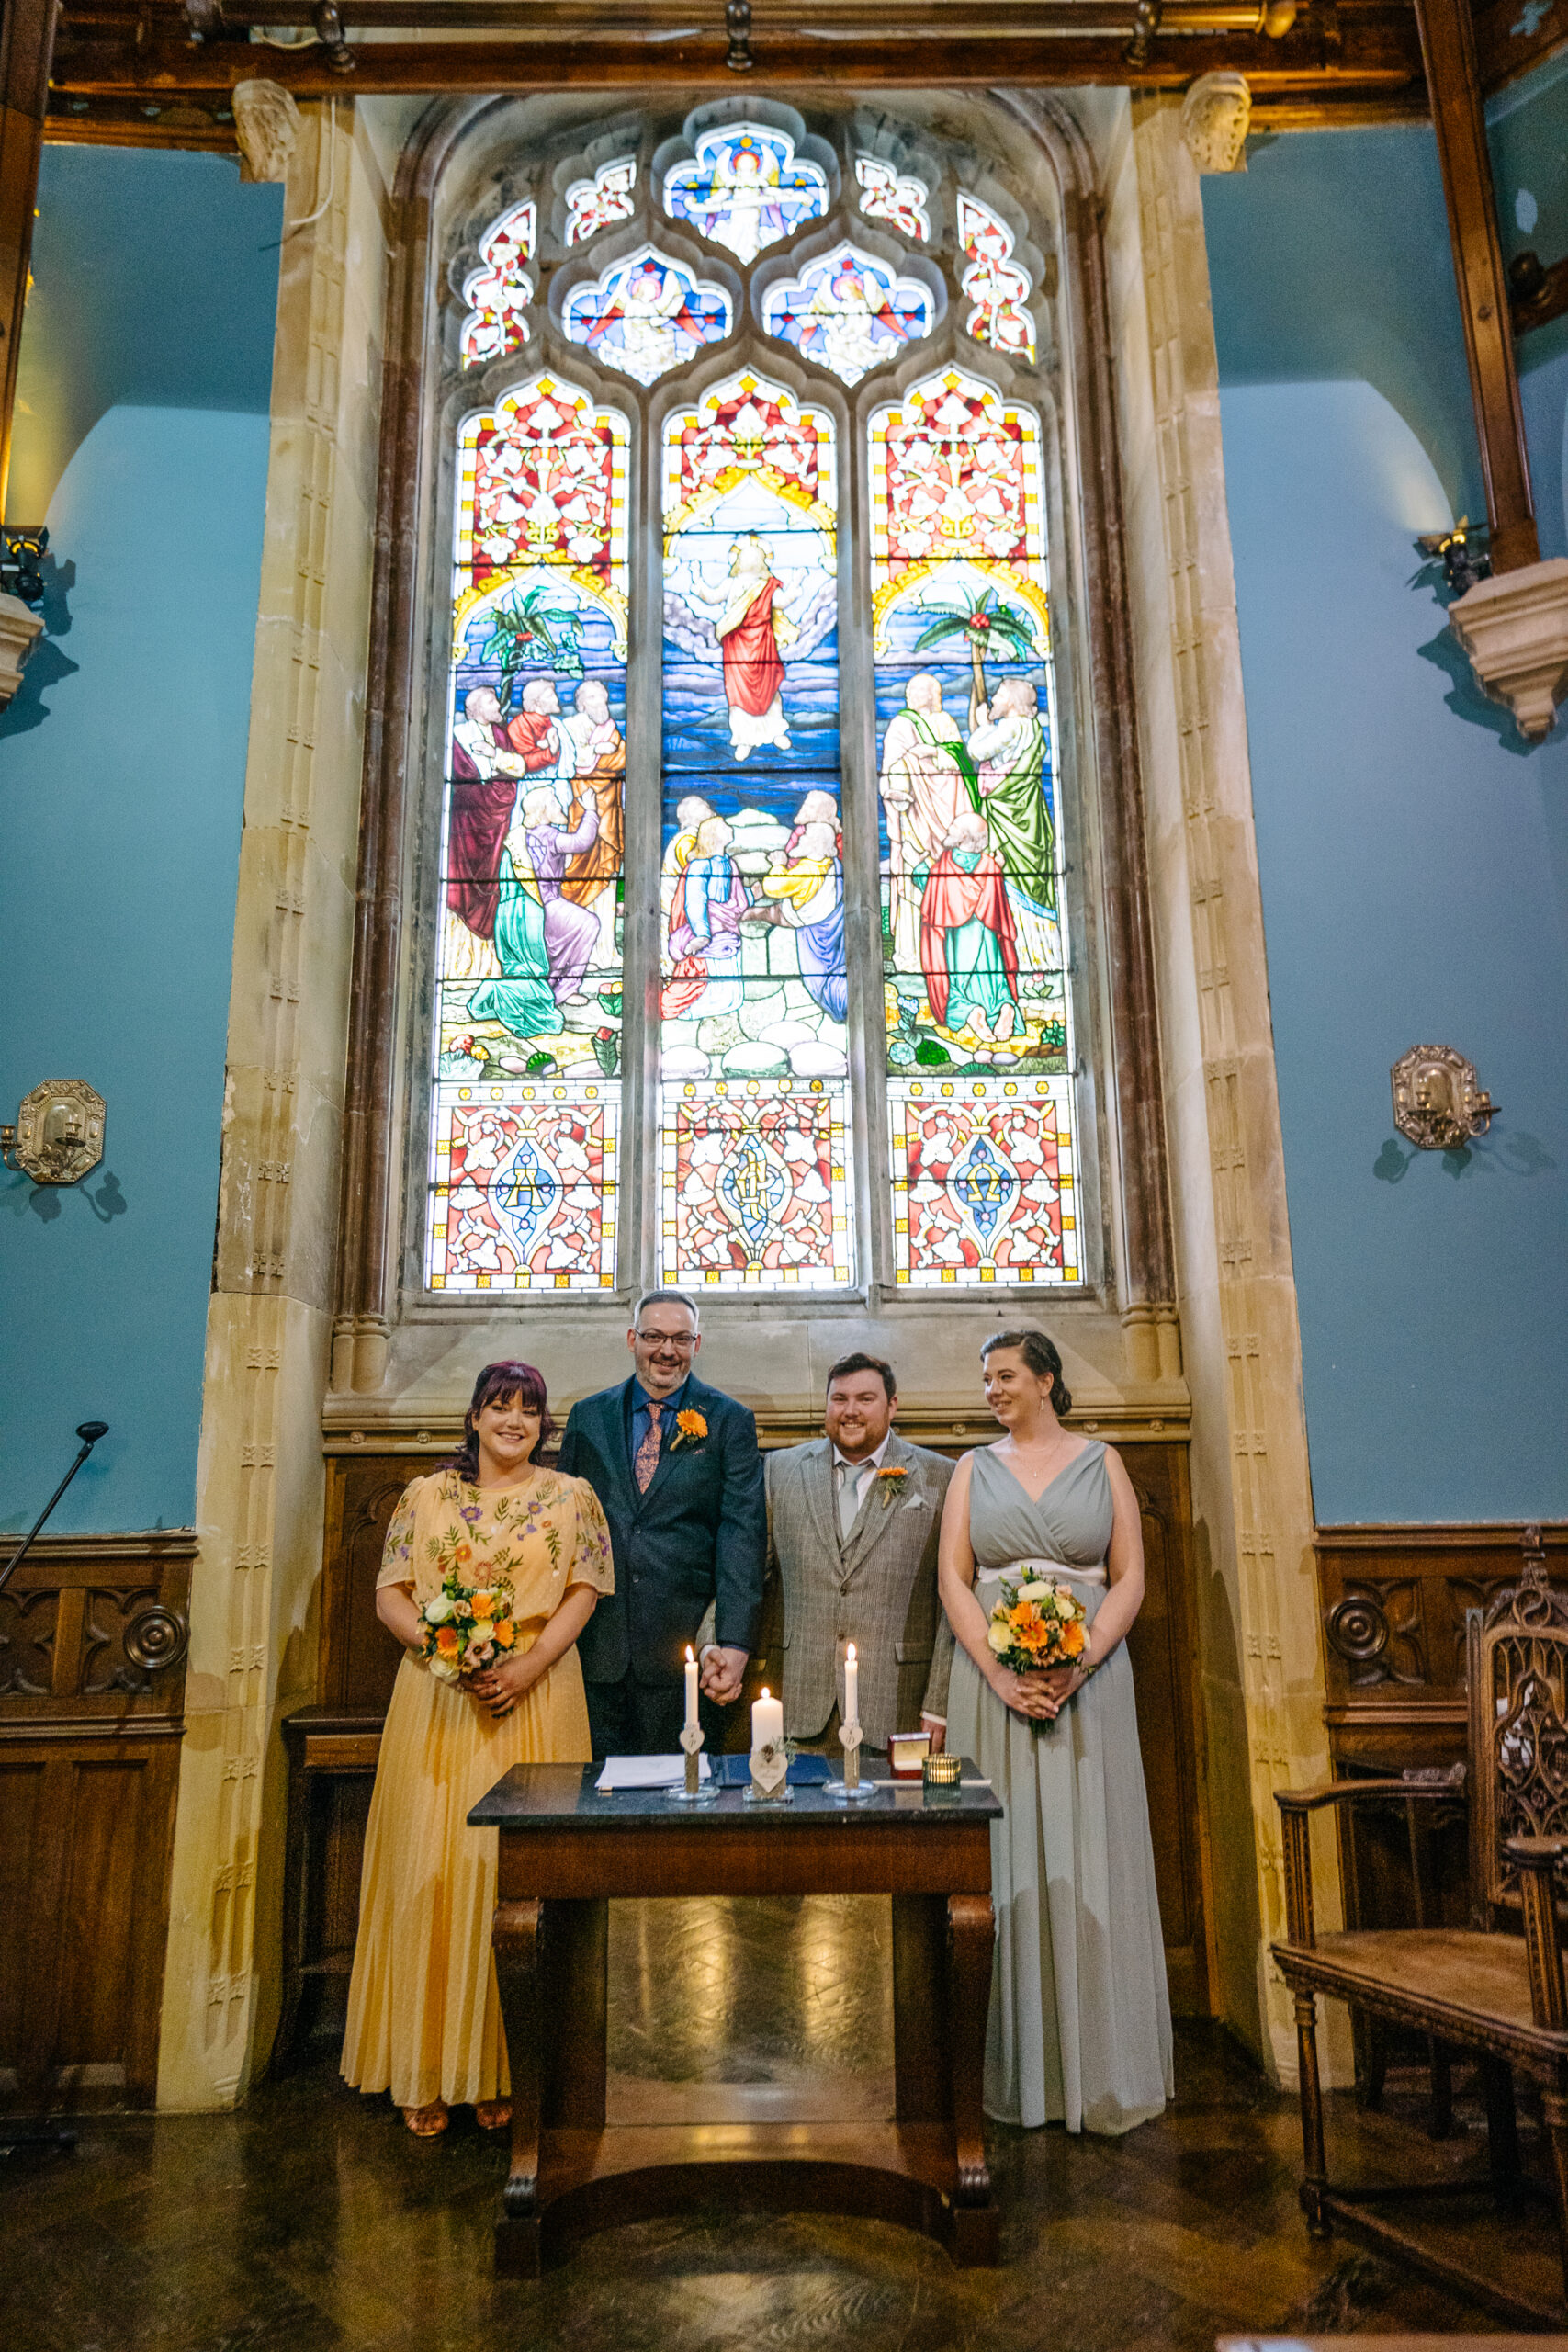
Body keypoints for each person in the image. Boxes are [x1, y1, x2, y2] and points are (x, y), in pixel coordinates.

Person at [341, 1361, 615, 2138]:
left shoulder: (572, 1498)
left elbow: (584, 1590)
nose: (514, 1421)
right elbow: (389, 1589)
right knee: (431, 1869)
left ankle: (505, 2067)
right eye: (499, 1407)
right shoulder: (424, 1496)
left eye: (529, 1410)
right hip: (437, 1702)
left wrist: (527, 1666)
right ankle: (424, 2067)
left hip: (537, 1695)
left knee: (513, 1876)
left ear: (543, 1425)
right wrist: (442, 1653)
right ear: (473, 1418)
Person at [939, 1328, 1172, 2135]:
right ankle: (1018, 2073)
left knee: (1088, 1852)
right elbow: (953, 1577)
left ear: (1045, 1380)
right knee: (1004, 1863)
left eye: (1004, 1376)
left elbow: (1128, 1573)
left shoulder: (1101, 1460)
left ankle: (1100, 2068)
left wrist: (1082, 1661)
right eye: (985, 1379)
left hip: (1089, 1686)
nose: (991, 1390)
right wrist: (999, 1673)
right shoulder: (971, 1469)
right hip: (991, 1687)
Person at [557, 1288, 767, 1757]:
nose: (666, 1351)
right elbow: (563, 1528)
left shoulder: (730, 1421)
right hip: (595, 1646)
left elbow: (741, 1535)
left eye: (681, 1338)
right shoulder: (587, 1417)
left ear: (698, 1344)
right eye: (654, 1336)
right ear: (632, 1338)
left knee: (678, 1798)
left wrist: (733, 1641)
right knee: (592, 1802)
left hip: (685, 1652)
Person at [762, 1352, 953, 1755]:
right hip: (800, 1700)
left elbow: (951, 1601)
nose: (850, 1411)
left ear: (892, 1405)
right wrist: (715, 1642)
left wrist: (939, 1702)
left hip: (897, 1703)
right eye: (839, 1399)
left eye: (865, 1399)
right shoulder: (780, 1471)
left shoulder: (941, 1477)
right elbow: (748, 1573)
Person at [879, 672, 973, 973]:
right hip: (914, 815)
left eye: (922, 690)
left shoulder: (945, 721)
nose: (914, 694)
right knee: (914, 875)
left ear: (934, 694)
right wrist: (896, 789)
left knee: (952, 872)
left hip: (950, 810)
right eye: (912, 689)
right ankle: (914, 956)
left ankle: (958, 954)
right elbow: (889, 769)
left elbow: (960, 758)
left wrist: (932, 752)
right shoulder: (900, 725)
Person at [970, 677, 1061, 971]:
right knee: (1029, 881)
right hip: (1028, 813)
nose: (993, 700)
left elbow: (977, 752)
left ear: (1011, 702)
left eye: (998, 695)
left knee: (1011, 883)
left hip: (1008, 815)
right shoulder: (1032, 728)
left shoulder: (1012, 727)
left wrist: (983, 724)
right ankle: (1040, 963)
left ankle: (1024, 961)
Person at [919, 808, 1021, 1043]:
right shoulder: (990, 866)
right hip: (988, 944)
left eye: (954, 826)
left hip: (957, 943)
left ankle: (970, 1012)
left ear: (963, 837)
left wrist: (917, 868)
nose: (948, 828)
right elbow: (997, 909)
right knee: (995, 981)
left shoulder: (943, 868)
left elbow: (933, 896)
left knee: (956, 984)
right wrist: (998, 867)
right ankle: (1005, 1006)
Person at [446, 684, 526, 978]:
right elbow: (461, 783)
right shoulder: (456, 736)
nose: (498, 707)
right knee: (462, 885)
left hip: (496, 824)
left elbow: (518, 767)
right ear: (476, 709)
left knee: (492, 885)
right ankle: (459, 968)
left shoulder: (501, 736)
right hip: (466, 827)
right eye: (492, 702)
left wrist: (495, 755)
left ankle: (487, 966)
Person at [716, 532, 797, 759]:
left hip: (763, 644)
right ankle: (743, 738)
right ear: (738, 562)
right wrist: (697, 583)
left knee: (770, 688)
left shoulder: (767, 587)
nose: (750, 562)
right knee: (738, 693)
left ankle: (775, 731)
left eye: (755, 558)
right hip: (737, 647)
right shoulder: (731, 584)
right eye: (746, 558)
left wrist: (796, 587)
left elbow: (781, 601)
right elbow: (712, 597)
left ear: (762, 562)